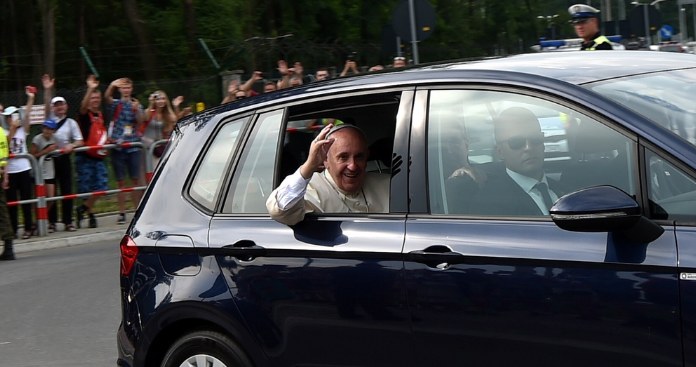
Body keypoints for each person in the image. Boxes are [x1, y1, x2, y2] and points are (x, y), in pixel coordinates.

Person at [266, 124, 389, 225]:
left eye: (359, 157)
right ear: (325, 160)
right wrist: (309, 166)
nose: (352, 166)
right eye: (343, 157)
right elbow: (281, 210)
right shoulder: (311, 190)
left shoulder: (388, 184)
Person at [471, 107, 564, 216]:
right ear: (500, 151)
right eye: (516, 142)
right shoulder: (489, 202)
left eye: (535, 139)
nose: (528, 147)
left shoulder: (565, 190)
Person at [42, 74, 84, 232]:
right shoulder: (49, 120)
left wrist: (71, 146)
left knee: (67, 190)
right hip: (50, 160)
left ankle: (68, 221)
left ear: (66, 107)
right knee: (51, 192)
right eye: (56, 105)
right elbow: (46, 106)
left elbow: (80, 140)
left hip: (64, 158)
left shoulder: (71, 123)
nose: (59, 107)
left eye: (61, 105)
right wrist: (47, 90)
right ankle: (51, 222)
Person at [104, 77, 145, 225]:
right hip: (118, 146)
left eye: (128, 88)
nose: (126, 90)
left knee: (135, 181)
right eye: (123, 88)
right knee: (121, 182)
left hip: (133, 145)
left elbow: (141, 121)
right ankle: (122, 213)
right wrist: (112, 85)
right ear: (120, 90)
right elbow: (107, 98)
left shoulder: (136, 104)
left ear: (131, 89)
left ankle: (136, 212)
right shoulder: (117, 104)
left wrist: (137, 110)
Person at [75, 75, 109, 229]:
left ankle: (82, 209)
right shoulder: (84, 116)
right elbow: (82, 106)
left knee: (101, 187)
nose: (95, 100)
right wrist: (90, 88)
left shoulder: (101, 115)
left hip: (99, 156)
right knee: (86, 188)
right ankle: (90, 214)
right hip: (85, 156)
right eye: (92, 98)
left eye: (97, 98)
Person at [6, 88, 36, 239]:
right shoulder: (4, 132)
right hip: (10, 171)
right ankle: (13, 228)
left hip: (24, 168)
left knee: (26, 200)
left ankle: (29, 228)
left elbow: (28, 114)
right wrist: (11, 128)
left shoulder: (22, 130)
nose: (12, 119)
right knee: (11, 202)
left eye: (13, 116)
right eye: (9, 117)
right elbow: (6, 143)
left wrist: (30, 98)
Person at [30, 119, 58, 233]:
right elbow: (32, 155)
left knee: (51, 197)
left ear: (53, 130)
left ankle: (43, 218)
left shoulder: (54, 139)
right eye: (45, 128)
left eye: (50, 129)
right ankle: (38, 221)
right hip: (39, 171)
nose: (47, 131)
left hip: (50, 170)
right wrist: (46, 151)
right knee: (40, 198)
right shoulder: (37, 139)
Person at [142, 90, 177, 167]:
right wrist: (151, 104)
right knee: (149, 170)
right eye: (158, 99)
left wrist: (175, 106)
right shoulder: (150, 111)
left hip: (159, 147)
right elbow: (145, 118)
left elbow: (174, 120)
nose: (161, 101)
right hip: (147, 146)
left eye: (163, 98)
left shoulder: (166, 114)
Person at [0, 116, 15, 260]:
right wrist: (5, 176)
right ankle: (8, 246)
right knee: (2, 211)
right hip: (1, 172)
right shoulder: (1, 133)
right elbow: (4, 157)